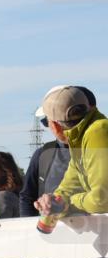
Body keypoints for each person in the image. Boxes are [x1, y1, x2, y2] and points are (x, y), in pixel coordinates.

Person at [21, 86, 96, 217]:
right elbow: (27, 198)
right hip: (53, 229)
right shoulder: (43, 155)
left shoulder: (98, 148)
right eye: (47, 121)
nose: (54, 126)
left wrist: (64, 204)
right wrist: (30, 227)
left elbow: (100, 197)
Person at [35, 86, 108, 217]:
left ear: (55, 126)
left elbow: (102, 199)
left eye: (47, 122)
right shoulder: (80, 139)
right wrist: (52, 200)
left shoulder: (97, 132)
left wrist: (68, 204)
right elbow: (68, 188)